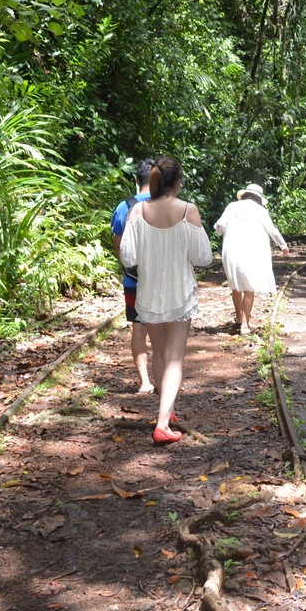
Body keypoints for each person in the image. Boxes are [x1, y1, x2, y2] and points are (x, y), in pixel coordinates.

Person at [118, 156, 213, 444]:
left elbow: (128, 257)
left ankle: (166, 409)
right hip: (178, 295)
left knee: (159, 355)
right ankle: (162, 424)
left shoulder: (137, 212)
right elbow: (204, 258)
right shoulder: (188, 210)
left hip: (148, 295)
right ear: (178, 183)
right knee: (174, 358)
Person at [214, 183, 289, 336]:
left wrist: (219, 231)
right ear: (258, 198)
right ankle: (245, 325)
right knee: (249, 288)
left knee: (235, 286)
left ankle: (238, 317)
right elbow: (272, 231)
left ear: (245, 195)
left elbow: (220, 226)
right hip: (251, 252)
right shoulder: (261, 211)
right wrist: (283, 246)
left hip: (231, 252)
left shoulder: (232, 206)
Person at [111, 158, 157, 394]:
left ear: (136, 180)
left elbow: (119, 246)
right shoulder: (165, 204)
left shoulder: (124, 206)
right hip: (160, 278)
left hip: (133, 278)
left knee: (138, 326)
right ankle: (163, 379)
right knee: (162, 325)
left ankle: (145, 381)